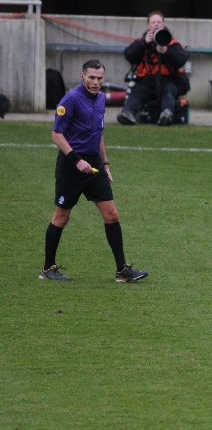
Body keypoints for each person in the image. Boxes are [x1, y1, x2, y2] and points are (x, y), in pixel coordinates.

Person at [41, 59, 148, 283]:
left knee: (112, 215)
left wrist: (106, 164)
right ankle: (47, 268)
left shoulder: (100, 99)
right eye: (91, 77)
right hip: (72, 165)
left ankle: (122, 270)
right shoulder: (70, 99)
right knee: (62, 217)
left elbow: (98, 134)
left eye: (100, 78)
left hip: (94, 165)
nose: (96, 82)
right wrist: (76, 160)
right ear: (82, 76)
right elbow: (56, 135)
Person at [117, 11, 189, 127]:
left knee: (169, 90)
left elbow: (181, 60)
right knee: (137, 91)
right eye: (153, 22)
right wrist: (144, 44)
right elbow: (129, 55)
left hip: (168, 79)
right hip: (147, 79)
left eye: (159, 22)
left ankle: (167, 114)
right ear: (148, 25)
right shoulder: (142, 41)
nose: (156, 24)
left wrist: (166, 52)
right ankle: (128, 113)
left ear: (163, 24)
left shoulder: (172, 42)